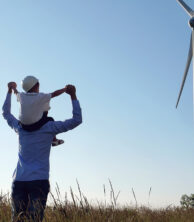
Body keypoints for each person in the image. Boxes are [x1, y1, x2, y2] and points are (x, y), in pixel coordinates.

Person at [2, 82, 82, 222]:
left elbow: (6, 113)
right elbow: (77, 120)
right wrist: (73, 96)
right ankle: (54, 140)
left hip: (19, 180)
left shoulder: (19, 128)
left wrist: (10, 91)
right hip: (39, 181)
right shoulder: (49, 127)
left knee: (17, 220)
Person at [12, 75, 68, 146]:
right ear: (36, 86)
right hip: (34, 126)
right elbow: (54, 94)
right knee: (50, 119)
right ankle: (54, 140)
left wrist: (13, 87)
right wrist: (65, 89)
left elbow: (16, 92)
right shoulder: (40, 96)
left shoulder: (22, 96)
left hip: (23, 126)